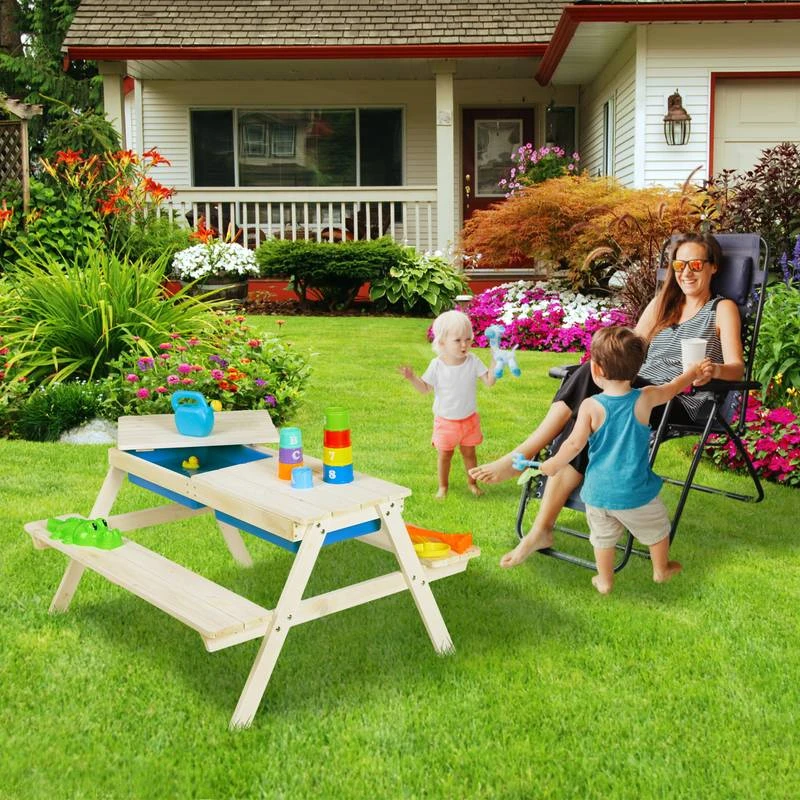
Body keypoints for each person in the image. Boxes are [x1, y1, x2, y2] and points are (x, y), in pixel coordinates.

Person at [469, 231, 745, 562]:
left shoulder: (722, 309)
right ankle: (540, 527)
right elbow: (629, 351)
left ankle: (524, 461)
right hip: (636, 388)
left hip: (680, 399)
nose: (686, 272)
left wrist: (714, 370)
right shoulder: (662, 305)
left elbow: (736, 368)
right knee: (590, 403)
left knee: (594, 395)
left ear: (713, 267)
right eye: (679, 265)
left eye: (696, 264)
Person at [533, 326, 711, 593]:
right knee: (658, 528)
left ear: (596, 369)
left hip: (597, 493)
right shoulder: (645, 398)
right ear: (637, 369)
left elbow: (573, 444)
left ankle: (605, 580)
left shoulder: (590, 406)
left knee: (602, 538)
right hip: (634, 491)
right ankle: (661, 569)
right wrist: (693, 372)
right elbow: (673, 387)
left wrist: (553, 464)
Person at [399, 309, 496, 499]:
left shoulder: (473, 361)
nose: (464, 345)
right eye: (458, 340)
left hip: (469, 420)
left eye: (468, 339)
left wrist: (495, 361)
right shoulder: (437, 365)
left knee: (470, 453)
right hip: (445, 422)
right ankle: (443, 487)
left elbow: (489, 381)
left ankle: (472, 483)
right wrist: (412, 378)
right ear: (442, 342)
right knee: (445, 455)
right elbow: (425, 389)